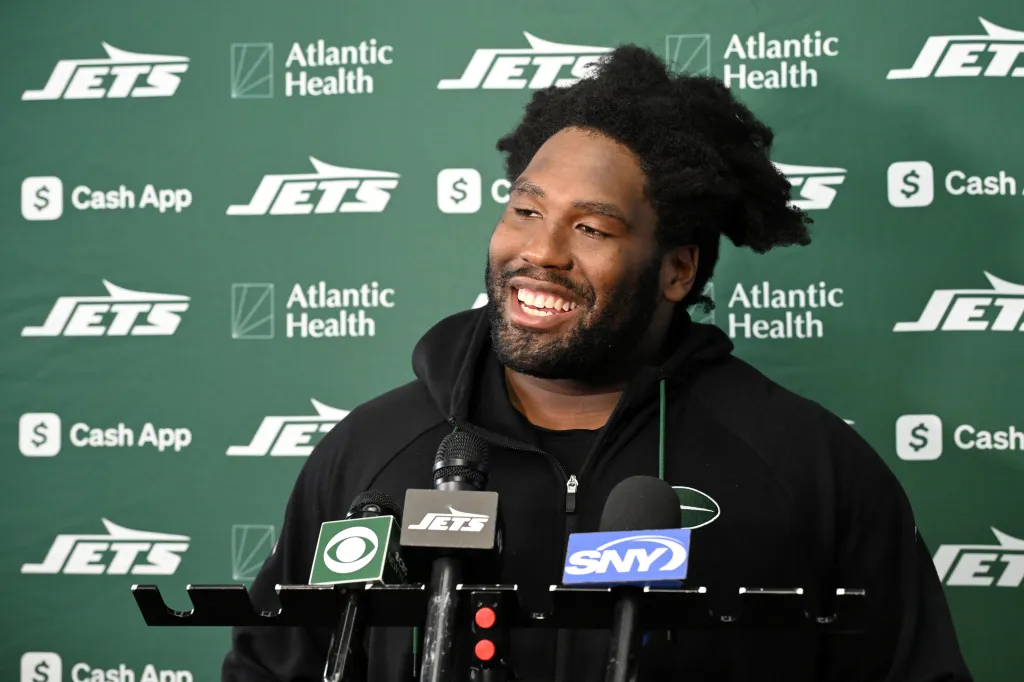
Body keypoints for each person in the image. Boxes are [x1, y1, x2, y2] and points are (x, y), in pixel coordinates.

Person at [222, 45, 972, 682]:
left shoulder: (808, 467)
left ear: (678, 271)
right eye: (525, 211)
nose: (540, 253)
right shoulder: (370, 453)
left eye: (591, 227)